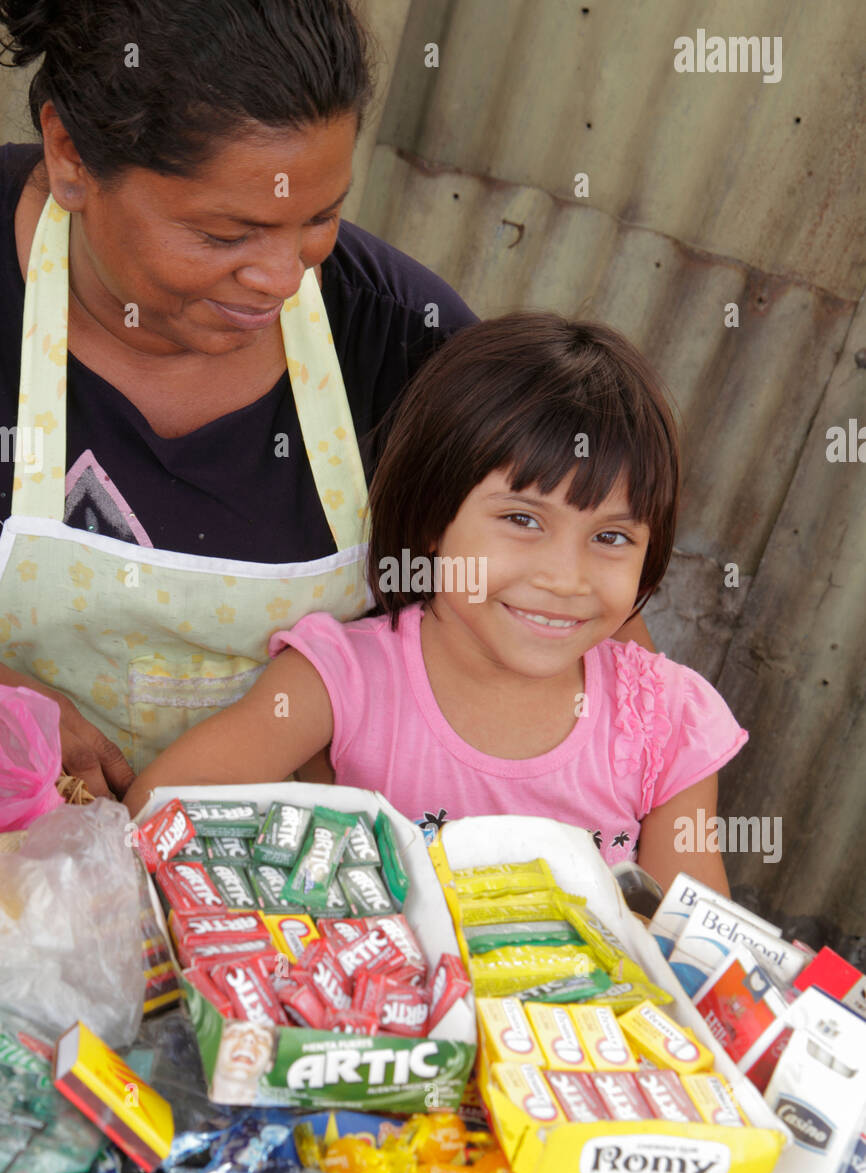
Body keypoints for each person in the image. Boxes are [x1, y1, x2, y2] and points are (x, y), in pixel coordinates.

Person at [0, 0, 485, 798]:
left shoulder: (407, 344)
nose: (279, 278)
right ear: (71, 155)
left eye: (317, 220)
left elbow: (566, 627)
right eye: (224, 234)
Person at [125, 314, 747, 895]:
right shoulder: (343, 680)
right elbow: (163, 804)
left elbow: (693, 949)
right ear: (431, 518)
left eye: (611, 537)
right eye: (523, 519)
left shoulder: (667, 724)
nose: (566, 578)